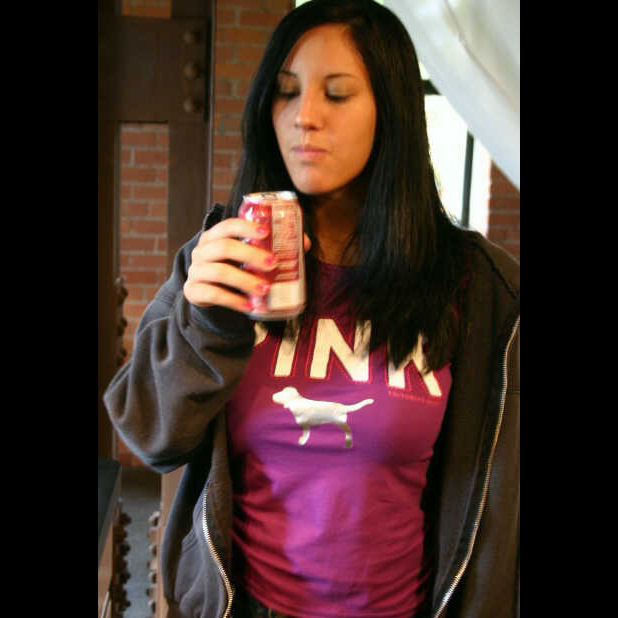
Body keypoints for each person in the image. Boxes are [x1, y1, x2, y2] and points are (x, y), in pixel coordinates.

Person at [104, 1, 520, 616]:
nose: (304, 116)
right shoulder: (224, 255)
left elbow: (497, 504)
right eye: (286, 91)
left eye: (337, 94)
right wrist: (208, 325)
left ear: (392, 111)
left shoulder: (477, 284)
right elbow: (151, 439)